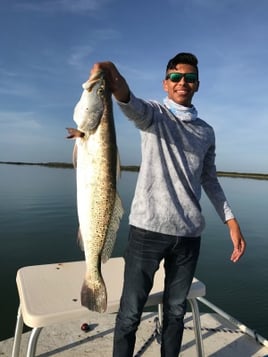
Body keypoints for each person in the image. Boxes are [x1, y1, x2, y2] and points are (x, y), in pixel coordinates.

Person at [89, 53, 246, 357]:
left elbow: (210, 180)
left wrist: (231, 221)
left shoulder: (206, 132)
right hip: (147, 232)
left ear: (197, 85)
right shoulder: (154, 115)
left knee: (175, 313)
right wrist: (111, 76)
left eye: (188, 78)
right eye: (175, 77)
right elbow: (126, 99)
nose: (182, 82)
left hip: (188, 238)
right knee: (130, 313)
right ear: (166, 83)